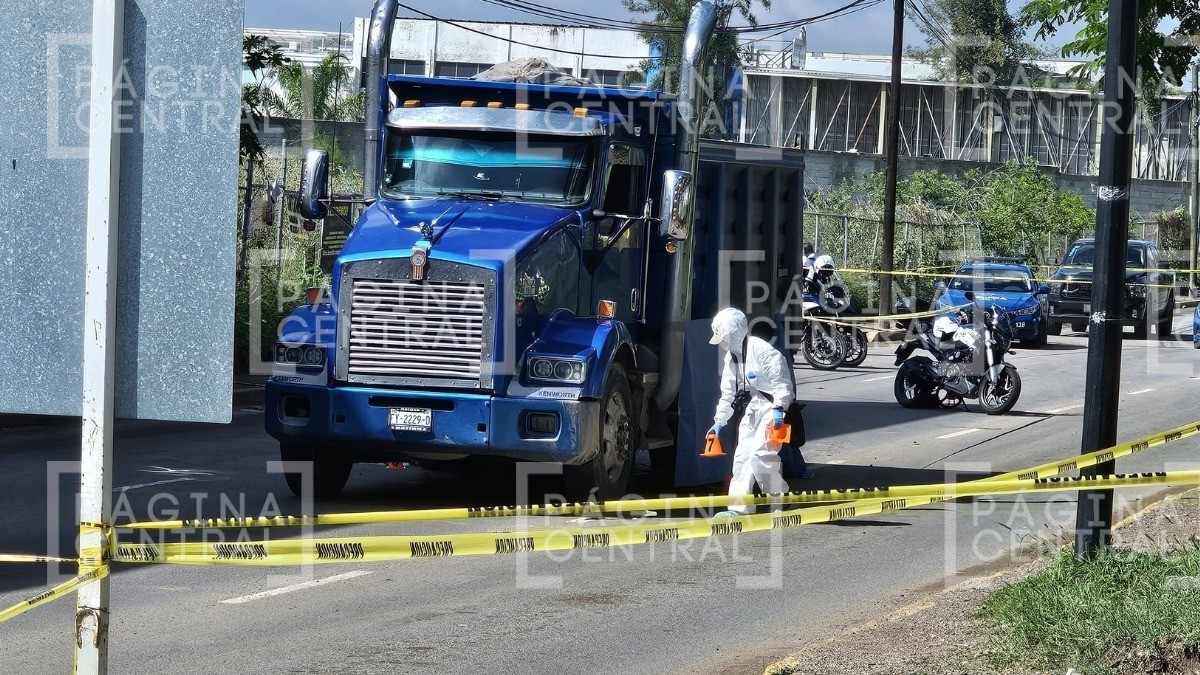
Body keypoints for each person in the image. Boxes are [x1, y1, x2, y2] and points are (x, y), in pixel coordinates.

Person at [708, 308, 798, 515]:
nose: (722, 343)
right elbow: (728, 394)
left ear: (734, 333)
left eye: (724, 337)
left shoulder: (762, 351)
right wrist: (719, 422)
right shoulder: (732, 358)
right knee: (741, 458)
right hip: (755, 407)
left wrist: (779, 409)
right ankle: (738, 508)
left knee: (761, 456)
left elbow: (783, 384)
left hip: (774, 408)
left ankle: (779, 497)